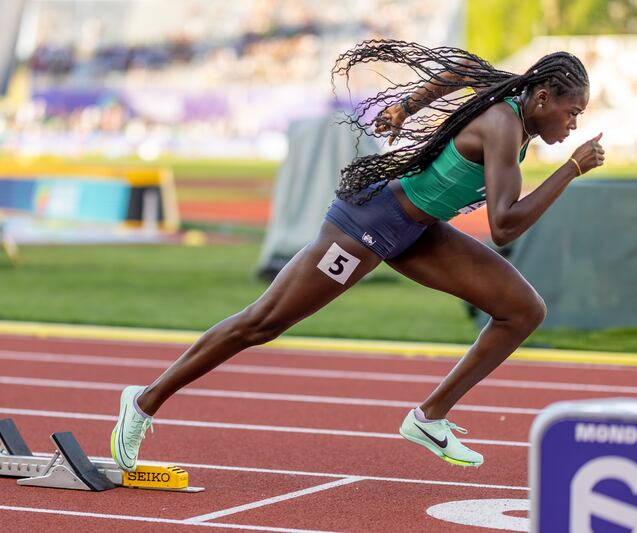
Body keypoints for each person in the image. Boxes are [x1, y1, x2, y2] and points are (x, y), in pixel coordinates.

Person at [110, 40, 604, 471]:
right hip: (369, 225)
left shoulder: (512, 104)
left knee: (522, 310)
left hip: (419, 232)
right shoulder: (502, 124)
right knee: (261, 323)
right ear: (542, 98)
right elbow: (504, 225)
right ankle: (144, 402)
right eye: (573, 111)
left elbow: (456, 66)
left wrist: (407, 107)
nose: (574, 122)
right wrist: (570, 170)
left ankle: (428, 418)